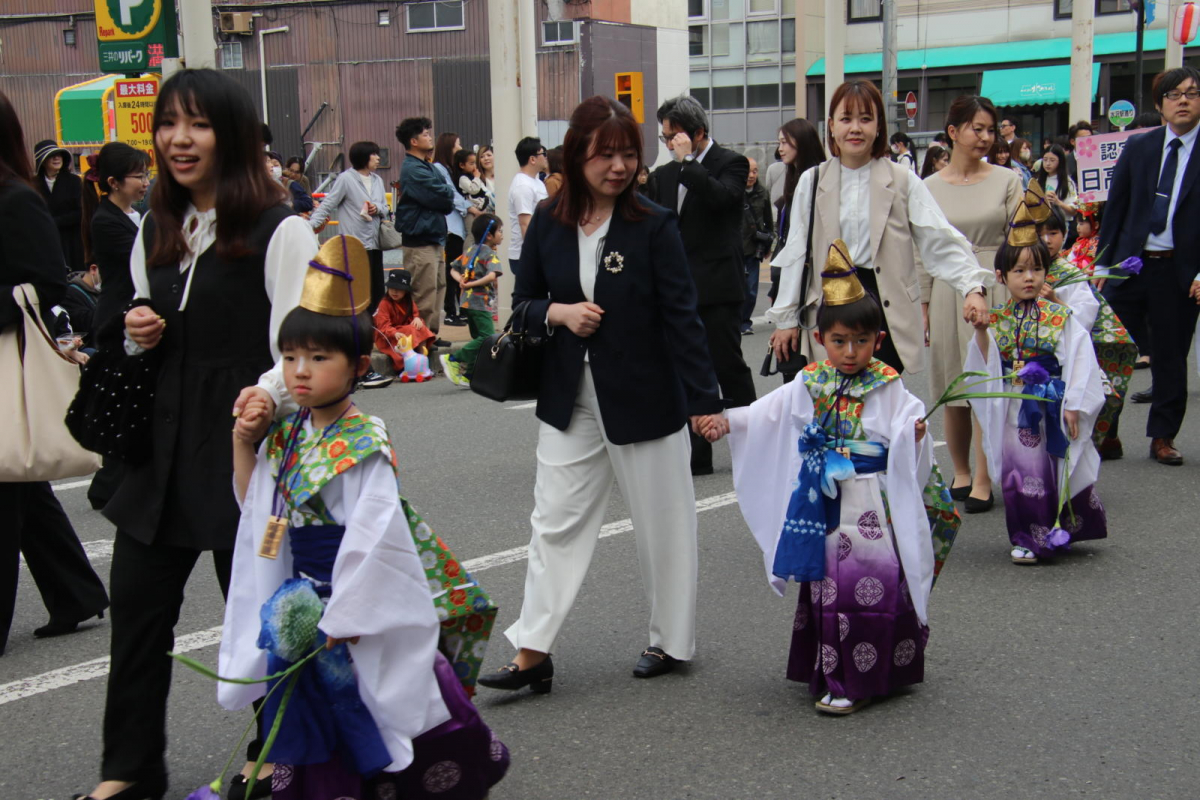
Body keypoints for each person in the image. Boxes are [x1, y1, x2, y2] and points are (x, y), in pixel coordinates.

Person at [75, 68, 319, 800]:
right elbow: (126, 328)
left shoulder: (283, 229)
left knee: (267, 616)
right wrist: (136, 331)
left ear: (233, 136)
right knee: (139, 618)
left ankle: (277, 752)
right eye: (169, 124)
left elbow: (298, 348)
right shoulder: (155, 226)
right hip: (160, 449)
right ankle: (128, 769)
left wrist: (265, 398)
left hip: (246, 451)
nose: (179, 140)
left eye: (199, 124)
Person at [222, 237, 508, 799]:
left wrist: (348, 613)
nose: (300, 372)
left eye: (318, 358)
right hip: (305, 603)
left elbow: (377, 535)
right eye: (290, 358)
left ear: (358, 366)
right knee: (322, 710)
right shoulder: (285, 432)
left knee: (386, 697)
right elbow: (256, 507)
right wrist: (241, 443)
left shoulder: (363, 439)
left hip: (353, 603)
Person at [476, 96, 722, 693]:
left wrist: (703, 399)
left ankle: (670, 640)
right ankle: (533, 650)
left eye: (627, 153)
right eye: (603, 153)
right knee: (553, 522)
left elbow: (683, 317)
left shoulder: (653, 224)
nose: (618, 165)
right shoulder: (551, 226)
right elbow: (524, 306)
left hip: (645, 395)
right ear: (577, 153)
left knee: (663, 523)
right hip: (570, 397)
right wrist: (559, 313)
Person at [703, 242, 958, 715]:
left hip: (867, 502)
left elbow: (906, 423)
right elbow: (770, 414)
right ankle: (845, 671)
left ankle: (857, 679)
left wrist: (914, 434)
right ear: (820, 339)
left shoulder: (886, 381)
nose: (850, 351)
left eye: (860, 341)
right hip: (824, 499)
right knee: (829, 587)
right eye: (839, 341)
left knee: (866, 586)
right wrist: (728, 421)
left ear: (877, 340)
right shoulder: (811, 380)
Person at [768, 80, 992, 383]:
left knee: (881, 407)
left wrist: (972, 287)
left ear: (879, 125)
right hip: (830, 308)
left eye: (865, 119)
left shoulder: (903, 180)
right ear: (832, 126)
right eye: (846, 119)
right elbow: (795, 254)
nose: (855, 128)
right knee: (832, 406)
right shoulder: (813, 180)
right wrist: (785, 319)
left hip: (885, 308)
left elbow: (938, 239)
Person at [0, 90, 109, 659]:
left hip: (9, 357)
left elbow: (44, 283)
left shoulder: (17, 199)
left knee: (7, 480)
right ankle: (75, 591)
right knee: (19, 479)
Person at [965, 207, 1107, 564]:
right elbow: (984, 364)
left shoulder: (1060, 316)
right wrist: (981, 332)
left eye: (1037, 269)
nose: (1029, 278)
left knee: (1059, 465)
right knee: (1022, 469)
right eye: (1019, 271)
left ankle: (1064, 527)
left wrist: (1075, 402)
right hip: (1015, 404)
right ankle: (1029, 536)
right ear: (1000, 276)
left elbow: (1077, 358)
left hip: (1053, 400)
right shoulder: (995, 320)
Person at [921, 95, 1023, 514]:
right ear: (953, 132)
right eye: (976, 129)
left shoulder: (1006, 180)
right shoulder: (927, 187)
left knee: (988, 382)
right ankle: (960, 470)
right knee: (952, 383)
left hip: (994, 284)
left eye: (990, 129)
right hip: (947, 290)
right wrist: (925, 303)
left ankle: (984, 476)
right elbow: (921, 247)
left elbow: (1021, 239)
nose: (984, 137)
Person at [1095, 66, 1200, 465]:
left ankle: (1162, 437)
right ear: (1160, 105)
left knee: (1171, 355)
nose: (1184, 101)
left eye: (1192, 93)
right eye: (1174, 95)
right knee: (1112, 352)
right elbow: (1115, 209)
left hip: (1180, 272)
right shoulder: (1138, 147)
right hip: (1130, 267)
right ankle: (1107, 432)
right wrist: (1104, 268)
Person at [647, 94, 757, 475]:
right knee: (685, 370)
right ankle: (696, 458)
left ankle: (751, 443)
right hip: (676, 290)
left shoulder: (731, 163)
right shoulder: (662, 175)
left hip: (718, 287)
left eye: (674, 136)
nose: (668, 144)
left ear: (698, 133)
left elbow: (722, 201)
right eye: (664, 138)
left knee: (727, 366)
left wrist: (687, 162)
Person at [79, 141, 151, 510]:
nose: (144, 182)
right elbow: (149, 258)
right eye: (139, 176)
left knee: (126, 401)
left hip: (130, 318)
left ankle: (112, 484)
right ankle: (107, 486)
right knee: (122, 401)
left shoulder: (131, 216)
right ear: (113, 181)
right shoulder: (106, 221)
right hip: (116, 322)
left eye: (146, 174)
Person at [1040, 205, 1134, 460]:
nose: (1047, 240)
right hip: (1032, 357)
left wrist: (1056, 302)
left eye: (1054, 232)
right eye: (1040, 233)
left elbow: (1085, 315)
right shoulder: (1024, 269)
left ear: (1064, 234)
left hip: (1065, 357)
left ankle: (1072, 476)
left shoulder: (1070, 273)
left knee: (1070, 419)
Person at [307, 140, 388, 316]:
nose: (377, 158)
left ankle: (377, 326)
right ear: (363, 157)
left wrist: (377, 208)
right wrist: (309, 226)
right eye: (373, 154)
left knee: (376, 287)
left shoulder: (378, 180)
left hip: (375, 243)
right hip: (355, 243)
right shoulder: (346, 179)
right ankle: (359, 325)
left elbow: (385, 208)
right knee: (358, 287)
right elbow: (328, 204)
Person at [395, 117, 455, 345]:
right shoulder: (412, 169)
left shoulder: (425, 166)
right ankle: (418, 339)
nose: (430, 137)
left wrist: (446, 195)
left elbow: (446, 194)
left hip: (432, 236)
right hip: (419, 240)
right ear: (414, 141)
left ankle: (430, 335)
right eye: (425, 134)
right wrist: (446, 194)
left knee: (438, 287)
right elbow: (444, 194)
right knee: (423, 292)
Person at [442, 213, 503, 387]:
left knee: (479, 340)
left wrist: (461, 280)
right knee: (487, 337)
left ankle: (470, 374)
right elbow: (492, 275)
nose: (502, 234)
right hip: (481, 303)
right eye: (499, 231)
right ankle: (453, 358)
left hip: (466, 303)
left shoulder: (470, 251)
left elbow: (452, 268)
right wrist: (473, 283)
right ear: (489, 235)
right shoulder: (490, 254)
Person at [769, 119, 824, 309]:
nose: (780, 149)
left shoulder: (818, 180)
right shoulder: (792, 178)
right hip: (790, 277)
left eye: (784, 142)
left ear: (801, 142)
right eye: (779, 143)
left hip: (809, 281)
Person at [433, 132, 479, 326]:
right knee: (451, 270)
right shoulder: (439, 169)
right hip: (450, 226)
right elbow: (450, 194)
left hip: (456, 226)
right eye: (457, 145)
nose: (459, 148)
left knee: (456, 269)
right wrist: (470, 208)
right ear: (448, 147)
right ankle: (451, 312)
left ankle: (457, 310)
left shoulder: (449, 169)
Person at [372, 268, 436, 377]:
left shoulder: (408, 301)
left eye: (398, 289)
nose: (394, 292)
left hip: (403, 333)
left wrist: (417, 318)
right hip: (388, 336)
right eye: (391, 288)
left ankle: (422, 362)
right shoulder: (384, 304)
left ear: (406, 291)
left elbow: (415, 314)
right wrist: (394, 333)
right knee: (411, 329)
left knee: (420, 326)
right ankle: (409, 366)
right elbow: (383, 326)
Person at [33, 139, 84, 272]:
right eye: (51, 155)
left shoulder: (73, 181)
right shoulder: (33, 184)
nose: (56, 158)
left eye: (59, 154)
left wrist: (54, 221)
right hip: (45, 239)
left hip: (71, 240)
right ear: (42, 161)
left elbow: (80, 212)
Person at [507, 136, 549, 275]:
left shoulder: (536, 182)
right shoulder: (522, 186)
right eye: (543, 154)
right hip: (525, 256)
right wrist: (533, 255)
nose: (545, 157)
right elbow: (525, 224)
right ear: (532, 159)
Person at [741, 156, 773, 335]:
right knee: (736, 287)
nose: (751, 175)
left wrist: (768, 243)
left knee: (751, 289)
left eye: (755, 171)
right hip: (735, 247)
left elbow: (768, 221)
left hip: (754, 248)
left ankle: (745, 321)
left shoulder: (763, 192)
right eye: (748, 171)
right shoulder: (734, 191)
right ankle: (735, 321)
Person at [1036, 144, 1078, 216]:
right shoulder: (1037, 182)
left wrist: (1057, 202)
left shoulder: (1068, 182)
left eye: (1052, 160)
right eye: (1045, 160)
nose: (1048, 163)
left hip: (1062, 223)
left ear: (1060, 161)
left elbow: (1073, 211)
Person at [454, 148, 489, 214]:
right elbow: (474, 190)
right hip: (472, 211)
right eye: (471, 163)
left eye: (475, 163)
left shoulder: (472, 176)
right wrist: (476, 177)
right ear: (462, 165)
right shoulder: (462, 178)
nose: (474, 166)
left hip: (481, 207)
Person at [1066, 205, 1098, 273]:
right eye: (1077, 223)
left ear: (1095, 225)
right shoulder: (1078, 244)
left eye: (1081, 224)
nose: (1078, 227)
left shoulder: (1098, 243)